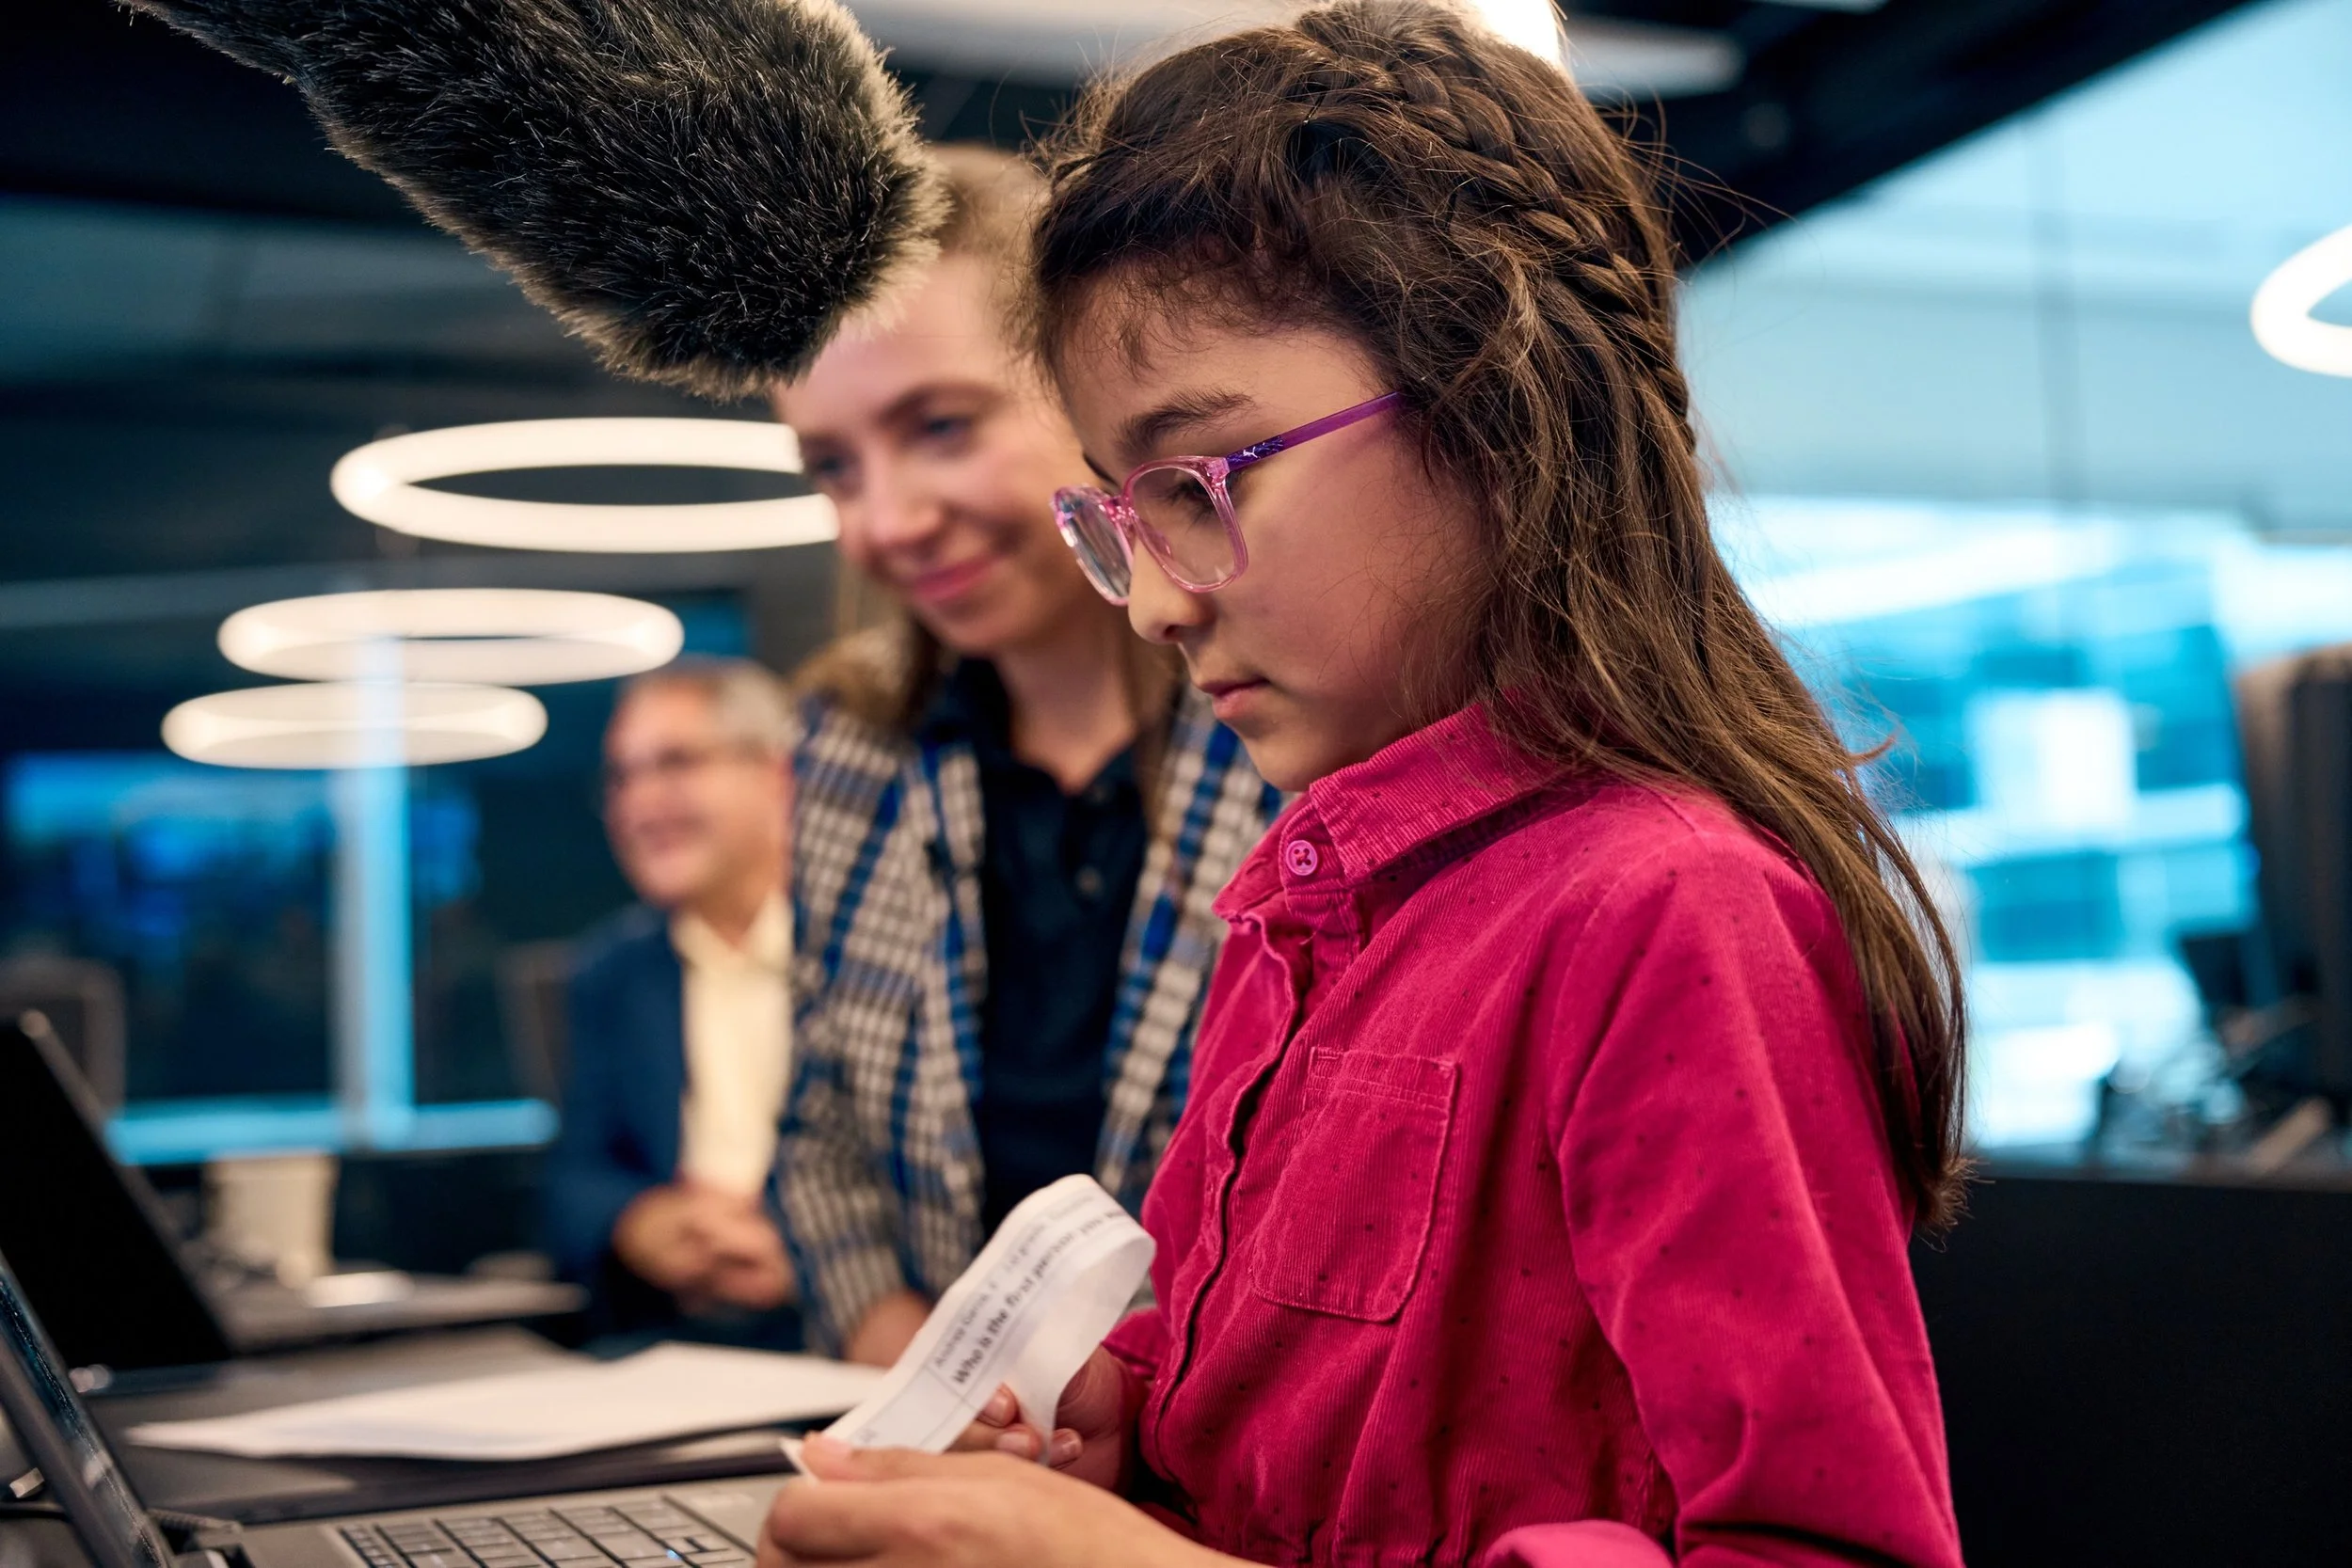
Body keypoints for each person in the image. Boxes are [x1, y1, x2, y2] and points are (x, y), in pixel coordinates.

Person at [765, 5, 1969, 1566]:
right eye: (1122, 521)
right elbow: (1299, 1393)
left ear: (1492, 409)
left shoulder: (1668, 908)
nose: (1156, 601)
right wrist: (1131, 1406)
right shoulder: (1302, 897)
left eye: (1199, 484)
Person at [769, 146, 1283, 1365]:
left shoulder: (1289, 719)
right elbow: (819, 1133)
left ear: (1087, 387)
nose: (885, 519)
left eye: (940, 427)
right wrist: (919, 1378)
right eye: (834, 466)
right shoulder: (851, 745)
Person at [544, 658, 802, 1349]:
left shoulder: (868, 950)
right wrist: (643, 1222)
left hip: (851, 1329)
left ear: (778, 775)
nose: (640, 803)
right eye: (622, 776)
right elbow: (575, 1178)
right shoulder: (611, 971)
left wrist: (802, 1244)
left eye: (676, 763)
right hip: (676, 1336)